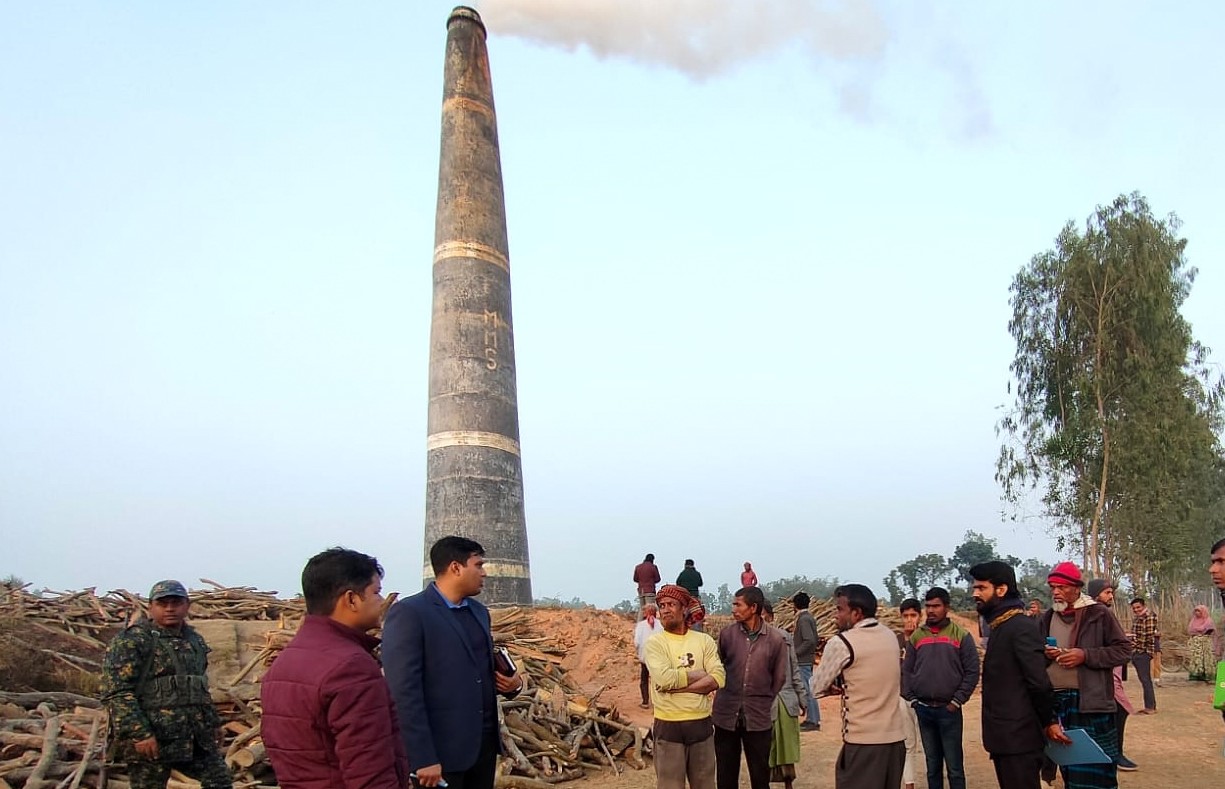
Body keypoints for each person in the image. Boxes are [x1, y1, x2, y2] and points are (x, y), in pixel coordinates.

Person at [382, 536, 524, 789]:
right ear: (455, 568)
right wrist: (422, 757)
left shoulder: (479, 613)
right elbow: (403, 692)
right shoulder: (411, 613)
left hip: (482, 749)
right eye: (478, 565)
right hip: (439, 755)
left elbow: (481, 671)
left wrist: (513, 684)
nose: (484, 573)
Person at [261, 548, 409, 789]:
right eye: (376, 592)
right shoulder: (351, 666)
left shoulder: (285, 661)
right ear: (351, 599)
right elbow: (369, 769)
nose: (382, 602)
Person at [99, 580, 232, 789]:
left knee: (220, 781)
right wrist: (140, 733)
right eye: (163, 603)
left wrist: (213, 723)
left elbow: (199, 686)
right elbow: (117, 692)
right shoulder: (133, 641)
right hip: (153, 740)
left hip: (194, 737)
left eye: (176, 602)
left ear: (187, 605)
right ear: (151, 607)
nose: (170, 608)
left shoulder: (194, 640)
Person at [969, 561, 1070, 789]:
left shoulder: (1020, 627)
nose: (975, 594)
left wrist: (1050, 721)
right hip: (1005, 739)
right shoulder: (1001, 627)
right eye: (974, 588)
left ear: (1001, 590)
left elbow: (1039, 683)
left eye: (981, 588)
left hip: (1019, 740)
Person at [1039, 561, 1131, 789]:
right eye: (1052, 587)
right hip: (1057, 704)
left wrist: (1085, 656)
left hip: (1091, 703)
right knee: (1069, 769)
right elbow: (1033, 659)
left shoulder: (1098, 614)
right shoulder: (1047, 617)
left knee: (1097, 770)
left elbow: (1123, 650)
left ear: (1077, 588)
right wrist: (1046, 654)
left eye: (1061, 587)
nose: (1056, 592)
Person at [810, 583, 906, 789]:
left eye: (840, 609)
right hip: (895, 740)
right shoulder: (890, 636)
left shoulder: (842, 642)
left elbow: (816, 687)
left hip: (863, 741)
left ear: (857, 613)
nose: (835, 615)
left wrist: (832, 686)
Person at [645, 584, 726, 789]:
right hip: (668, 726)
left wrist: (678, 687)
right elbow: (663, 679)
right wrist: (698, 675)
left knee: (705, 784)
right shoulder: (655, 643)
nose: (665, 609)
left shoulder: (704, 641)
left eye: (671, 604)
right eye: (661, 605)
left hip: (701, 725)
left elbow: (718, 677)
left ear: (684, 609)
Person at [713, 587, 790, 789]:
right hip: (725, 715)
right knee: (725, 774)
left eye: (738, 604)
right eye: (733, 604)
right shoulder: (727, 635)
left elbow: (779, 678)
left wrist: (761, 699)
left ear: (754, 607)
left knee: (760, 774)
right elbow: (718, 667)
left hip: (758, 717)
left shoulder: (775, 640)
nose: (733, 609)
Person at [902, 587, 979, 789]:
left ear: (947, 607)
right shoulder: (917, 637)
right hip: (924, 710)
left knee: (954, 767)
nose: (931, 610)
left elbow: (972, 672)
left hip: (949, 711)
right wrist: (912, 699)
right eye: (928, 606)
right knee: (932, 765)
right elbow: (907, 671)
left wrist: (957, 701)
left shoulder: (961, 636)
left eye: (936, 606)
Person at [1086, 578, 1137, 772]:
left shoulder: (1100, 613)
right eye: (1107, 592)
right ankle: (1114, 755)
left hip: (1108, 669)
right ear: (1097, 594)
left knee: (1115, 711)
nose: (1111, 596)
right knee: (1118, 710)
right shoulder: (1099, 612)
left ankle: (1111, 754)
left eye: (1111, 592)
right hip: (1103, 671)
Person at [762, 601, 804, 789]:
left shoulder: (785, 638)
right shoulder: (749, 643)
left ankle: (788, 784)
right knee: (765, 748)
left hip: (786, 701)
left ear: (770, 616)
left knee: (787, 748)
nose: (761, 618)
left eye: (764, 614)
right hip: (763, 703)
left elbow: (794, 670)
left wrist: (802, 697)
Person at [791, 591, 821, 732]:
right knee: (809, 689)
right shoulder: (808, 617)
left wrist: (795, 654)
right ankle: (812, 718)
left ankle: (812, 720)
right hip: (806, 659)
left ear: (795, 605)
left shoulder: (803, 619)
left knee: (807, 690)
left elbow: (809, 640)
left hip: (803, 661)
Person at [1128, 596, 1159, 713]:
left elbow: (1148, 636)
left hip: (1143, 652)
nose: (1136, 610)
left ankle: (1150, 707)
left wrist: (1136, 648)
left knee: (1146, 680)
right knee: (1144, 680)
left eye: (1138, 607)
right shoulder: (1137, 618)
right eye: (1134, 608)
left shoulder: (1149, 617)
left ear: (1144, 606)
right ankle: (1149, 706)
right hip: (1137, 651)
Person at [635, 602, 665, 708]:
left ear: (646, 612)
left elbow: (637, 642)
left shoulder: (641, 625)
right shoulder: (661, 624)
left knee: (644, 679)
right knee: (657, 679)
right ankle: (658, 701)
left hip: (645, 656)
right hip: (657, 656)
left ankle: (645, 702)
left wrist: (638, 652)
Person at [1187, 604, 1215, 682]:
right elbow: (1191, 630)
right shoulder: (1193, 620)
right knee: (1196, 659)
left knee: (1206, 658)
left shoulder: (1208, 621)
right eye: (1195, 611)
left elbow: (1209, 631)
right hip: (1196, 644)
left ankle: (1208, 675)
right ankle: (1197, 675)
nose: (1197, 613)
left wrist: (1201, 635)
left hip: (1205, 643)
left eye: (1198, 611)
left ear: (1203, 612)